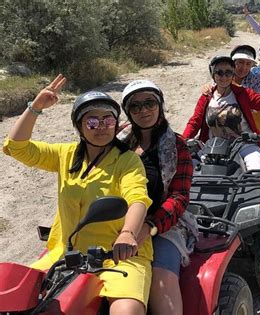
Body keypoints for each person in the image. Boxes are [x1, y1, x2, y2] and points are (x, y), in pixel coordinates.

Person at [2, 74, 153, 314]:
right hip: (67, 254)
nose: (101, 127)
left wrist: (127, 234)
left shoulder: (128, 161)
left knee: (127, 311)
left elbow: (137, 198)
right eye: (92, 122)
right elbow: (16, 146)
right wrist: (36, 107)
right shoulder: (66, 154)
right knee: (13, 299)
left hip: (118, 254)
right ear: (80, 126)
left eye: (108, 121)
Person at [117, 79, 196, 315]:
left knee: (162, 279)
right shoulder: (117, 144)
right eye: (136, 106)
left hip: (163, 224)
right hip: (118, 221)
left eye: (150, 103)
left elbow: (180, 197)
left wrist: (149, 227)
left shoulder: (177, 146)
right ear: (128, 112)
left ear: (160, 105)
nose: (144, 110)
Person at [183, 55, 260, 171]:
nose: (224, 77)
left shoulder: (243, 94)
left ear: (233, 74)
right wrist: (182, 141)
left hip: (245, 145)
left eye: (228, 73)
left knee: (256, 172)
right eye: (219, 72)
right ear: (213, 74)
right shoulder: (206, 97)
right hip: (212, 147)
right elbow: (195, 122)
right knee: (189, 171)